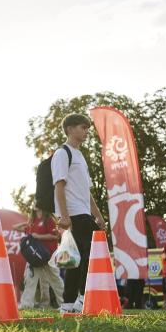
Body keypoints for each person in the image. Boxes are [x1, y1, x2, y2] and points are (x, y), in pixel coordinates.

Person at [51, 113, 106, 313]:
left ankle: (67, 304)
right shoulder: (62, 153)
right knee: (91, 253)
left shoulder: (80, 155)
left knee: (74, 259)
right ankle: (82, 297)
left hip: (83, 212)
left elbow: (86, 191)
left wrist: (98, 215)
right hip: (73, 213)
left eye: (87, 128)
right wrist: (64, 216)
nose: (86, 132)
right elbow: (59, 185)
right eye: (83, 127)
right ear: (70, 129)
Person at [15, 207, 64, 309]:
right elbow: (18, 228)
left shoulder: (49, 220)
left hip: (48, 256)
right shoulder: (32, 221)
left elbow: (56, 236)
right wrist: (27, 224)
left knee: (55, 280)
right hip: (35, 257)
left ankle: (64, 304)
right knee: (30, 280)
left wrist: (38, 236)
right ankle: (26, 305)